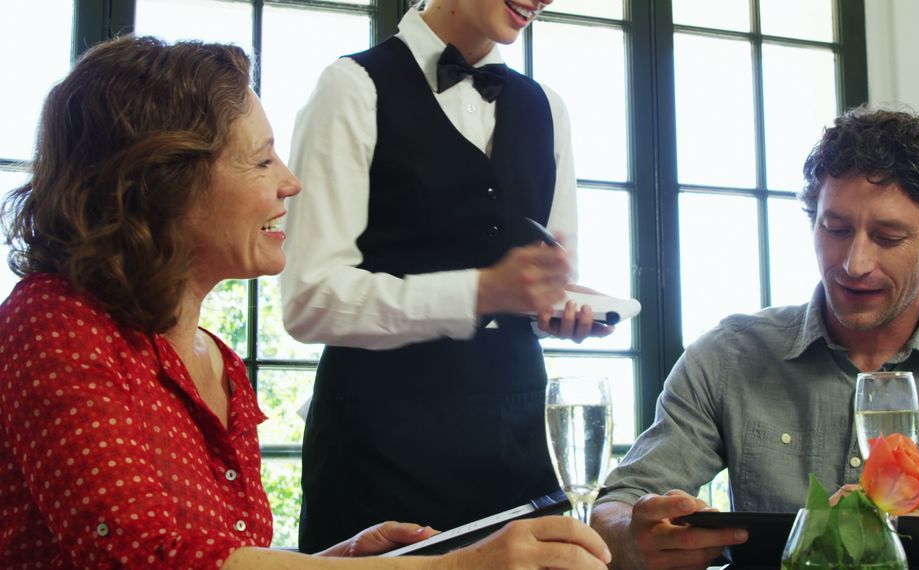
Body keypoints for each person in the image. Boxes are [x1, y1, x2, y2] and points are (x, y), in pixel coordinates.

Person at [0, 35, 612, 570]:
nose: (291, 182)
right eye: (263, 159)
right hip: (383, 453)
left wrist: (333, 561)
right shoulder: (54, 323)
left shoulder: (217, 361)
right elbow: (143, 558)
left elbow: (214, 553)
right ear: (162, 181)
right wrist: (452, 569)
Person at [590, 106, 919, 568]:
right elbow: (617, 506)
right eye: (836, 228)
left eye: (888, 238)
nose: (853, 264)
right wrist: (633, 536)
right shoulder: (727, 358)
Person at [281, 0, 610, 553]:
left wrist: (566, 306)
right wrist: (481, 291)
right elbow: (309, 298)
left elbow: (546, 275)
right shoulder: (350, 88)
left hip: (522, 449)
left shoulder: (547, 108)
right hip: (380, 457)